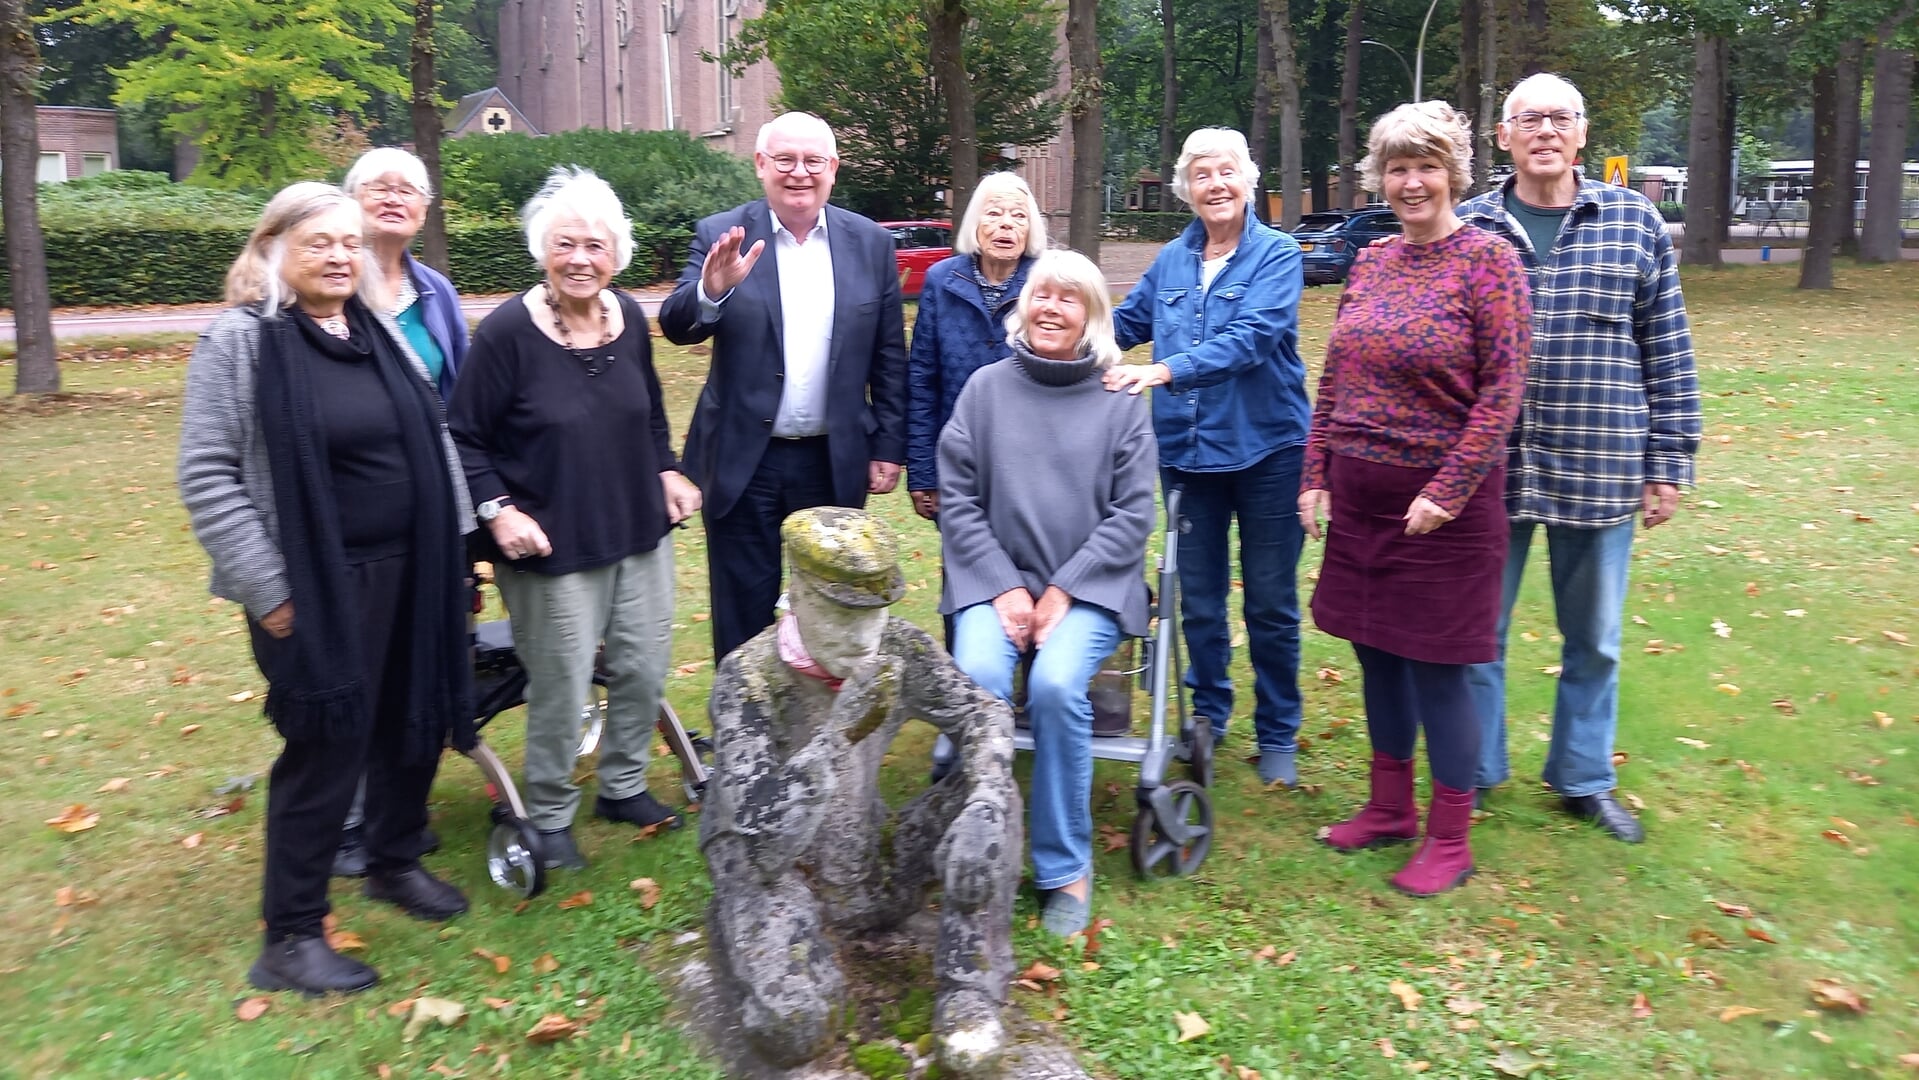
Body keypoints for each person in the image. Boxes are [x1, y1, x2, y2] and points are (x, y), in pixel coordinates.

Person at [178, 182, 477, 995]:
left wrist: (455, 550)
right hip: (314, 584)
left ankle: (392, 861)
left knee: (410, 723)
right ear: (272, 248)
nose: (341, 256)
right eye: (320, 243)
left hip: (413, 568)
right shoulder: (241, 342)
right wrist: (270, 590)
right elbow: (206, 475)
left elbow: (432, 438)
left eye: (349, 242)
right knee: (327, 748)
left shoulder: (375, 331)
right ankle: (292, 935)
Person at [1457, 73, 1702, 842]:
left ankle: (1582, 777)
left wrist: (1670, 460)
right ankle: (1474, 770)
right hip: (1487, 468)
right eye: (1527, 118)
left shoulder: (1634, 221)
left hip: (1599, 461)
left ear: (1581, 133)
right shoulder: (1468, 228)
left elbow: (1667, 347)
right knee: (1474, 629)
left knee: (1592, 636)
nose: (1544, 131)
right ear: (1503, 136)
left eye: (1559, 117)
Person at [1297, 102, 1531, 897]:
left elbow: (1501, 394)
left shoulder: (1489, 262)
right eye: (1396, 168)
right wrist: (1314, 472)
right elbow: (1335, 375)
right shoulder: (1368, 261)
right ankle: (1389, 807)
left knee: (1438, 669)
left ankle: (1450, 837)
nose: (1409, 182)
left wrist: (1446, 489)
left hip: (1447, 513)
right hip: (1361, 503)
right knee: (1375, 657)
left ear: (1452, 174)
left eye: (1425, 166)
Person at [702, 507, 1021, 1078]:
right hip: (780, 884)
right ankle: (753, 938)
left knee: (992, 796)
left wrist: (987, 800)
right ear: (796, 594)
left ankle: (969, 987)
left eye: (875, 614)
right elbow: (761, 849)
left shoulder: (897, 649)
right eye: (841, 615)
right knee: (794, 1028)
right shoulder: (748, 679)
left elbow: (985, 714)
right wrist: (837, 735)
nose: (863, 638)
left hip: (872, 869)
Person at [448, 167, 702, 872]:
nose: (581, 259)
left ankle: (622, 786)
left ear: (616, 254)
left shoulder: (628, 318)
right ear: (542, 251)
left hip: (635, 529)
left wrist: (669, 469)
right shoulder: (506, 333)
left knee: (643, 667)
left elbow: (647, 414)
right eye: (565, 244)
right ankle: (550, 812)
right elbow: (463, 435)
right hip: (548, 543)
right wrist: (498, 513)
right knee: (559, 681)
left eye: (595, 245)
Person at [940, 250, 1158, 936]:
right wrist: (1004, 588)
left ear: (1092, 316)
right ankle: (977, 846)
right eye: (1041, 295)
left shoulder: (1119, 400)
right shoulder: (983, 390)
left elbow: (1132, 514)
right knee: (977, 676)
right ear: (1021, 306)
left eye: (1069, 299)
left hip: (1090, 589)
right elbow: (957, 498)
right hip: (991, 580)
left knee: (1059, 686)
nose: (1051, 308)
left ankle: (1063, 866)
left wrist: (1063, 591)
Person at [659, 111, 908, 664]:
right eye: (785, 160)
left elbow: (890, 354)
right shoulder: (722, 235)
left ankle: (819, 737)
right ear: (760, 165)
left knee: (828, 608)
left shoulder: (869, 243)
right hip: (744, 460)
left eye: (813, 161)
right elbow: (678, 325)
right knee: (743, 612)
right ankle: (743, 739)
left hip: (833, 458)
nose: (799, 173)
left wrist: (889, 443)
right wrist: (710, 290)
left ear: (834, 169)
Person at [1107, 127, 1312, 786]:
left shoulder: (1277, 254)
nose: (1215, 185)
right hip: (1188, 456)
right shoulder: (1171, 260)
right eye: (1201, 174)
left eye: (1225, 171)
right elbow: (1123, 323)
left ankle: (1278, 730)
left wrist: (1164, 371)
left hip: (1268, 452)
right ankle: (1208, 717)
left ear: (1248, 180)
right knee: (1196, 598)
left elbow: (1251, 339)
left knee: (1270, 601)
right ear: (1186, 189)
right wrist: (1058, 334)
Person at [330, 146, 472, 879]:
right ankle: (345, 820)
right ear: (349, 200)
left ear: (425, 209)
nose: (394, 198)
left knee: (420, 663)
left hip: (433, 513)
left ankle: (395, 817)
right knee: (356, 667)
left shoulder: (436, 294)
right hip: (353, 518)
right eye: (379, 187)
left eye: (410, 190)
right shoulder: (327, 287)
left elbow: (463, 406)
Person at [905, 171, 1046, 522]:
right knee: (962, 568)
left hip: (1035, 465)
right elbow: (923, 381)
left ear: (1031, 228)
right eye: (994, 213)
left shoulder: (1047, 282)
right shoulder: (942, 280)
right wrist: (923, 471)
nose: (1006, 225)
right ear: (975, 222)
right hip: (959, 461)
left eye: (1019, 215)